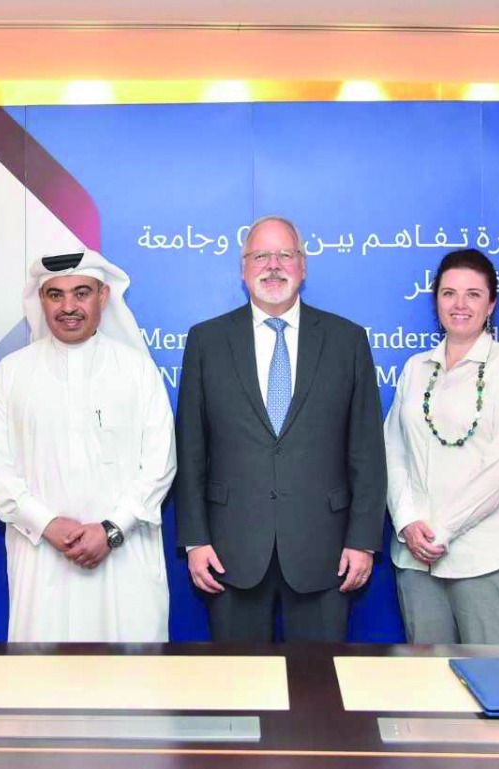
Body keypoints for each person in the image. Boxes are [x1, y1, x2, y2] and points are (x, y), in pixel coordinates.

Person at [174, 215, 386, 642]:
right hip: (230, 555)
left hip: (325, 554)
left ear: (303, 266)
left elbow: (366, 449)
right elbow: (191, 450)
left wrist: (363, 540)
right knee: (236, 691)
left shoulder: (347, 341)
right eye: (260, 255)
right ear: (243, 268)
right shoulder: (206, 341)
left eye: (285, 254)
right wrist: (195, 541)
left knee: (321, 693)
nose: (273, 265)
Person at [0, 250, 176, 642]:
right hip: (42, 559)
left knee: (133, 685)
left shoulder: (137, 371)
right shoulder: (11, 374)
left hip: (124, 561)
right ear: (41, 300)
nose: (69, 307)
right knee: (47, 689)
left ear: (102, 297)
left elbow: (160, 465)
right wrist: (46, 523)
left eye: (81, 293)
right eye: (55, 295)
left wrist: (112, 529)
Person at [382, 249, 499, 644]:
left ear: (491, 304)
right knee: (427, 691)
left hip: (491, 556)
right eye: (449, 293)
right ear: (436, 301)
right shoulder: (416, 368)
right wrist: (406, 521)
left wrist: (443, 530)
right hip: (417, 559)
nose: (460, 304)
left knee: (498, 682)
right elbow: (393, 451)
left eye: (473, 294)